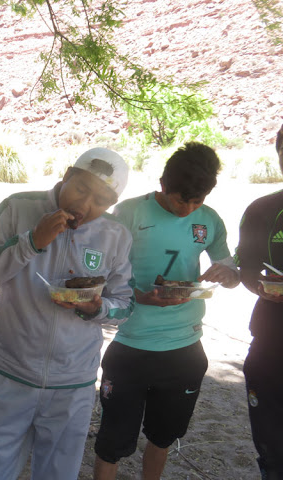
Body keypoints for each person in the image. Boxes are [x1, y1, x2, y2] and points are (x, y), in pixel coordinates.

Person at [0, 147, 135, 480]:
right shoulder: (18, 207)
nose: (84, 206)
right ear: (67, 174)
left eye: (99, 201)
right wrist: (31, 242)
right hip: (9, 373)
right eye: (81, 188)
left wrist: (96, 307)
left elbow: (124, 305)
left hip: (73, 385)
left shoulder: (116, 235)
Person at [93, 142, 240, 480]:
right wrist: (141, 297)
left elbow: (230, 272)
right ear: (162, 184)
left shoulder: (210, 220)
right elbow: (102, 277)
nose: (188, 208)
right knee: (111, 442)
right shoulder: (129, 213)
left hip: (185, 349)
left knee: (162, 438)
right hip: (131, 346)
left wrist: (227, 275)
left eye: (197, 201)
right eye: (180, 199)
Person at [235, 124, 283, 480]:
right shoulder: (261, 210)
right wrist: (263, 287)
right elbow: (249, 269)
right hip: (270, 346)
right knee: (271, 450)